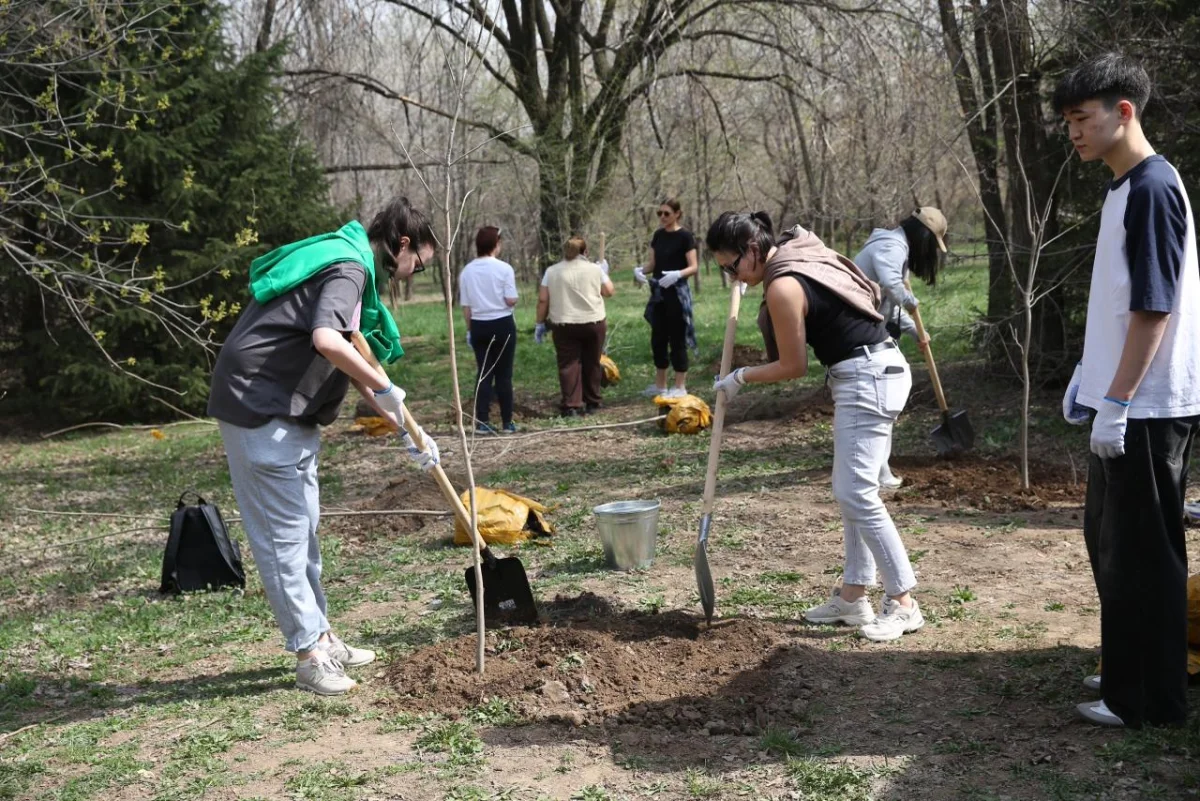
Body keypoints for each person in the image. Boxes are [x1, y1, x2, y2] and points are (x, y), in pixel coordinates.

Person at [207, 196, 442, 696]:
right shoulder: (350, 268)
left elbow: (357, 355)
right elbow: (327, 341)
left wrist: (407, 427)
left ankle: (324, 638)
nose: (412, 275)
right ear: (402, 245)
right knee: (284, 539)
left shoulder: (353, 266)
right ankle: (309, 655)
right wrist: (385, 392)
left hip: (286, 410)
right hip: (259, 407)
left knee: (305, 529)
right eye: (417, 265)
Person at [1056, 53, 1200, 728]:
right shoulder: (1121, 189)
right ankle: (1128, 668)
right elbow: (1119, 305)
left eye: (1081, 119)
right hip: (1121, 398)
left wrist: (1116, 400)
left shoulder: (1152, 188)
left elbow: (1153, 307)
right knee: (1112, 543)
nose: (1074, 134)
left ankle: (1150, 696)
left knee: (1145, 551)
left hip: (1147, 404)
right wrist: (1091, 377)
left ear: (1123, 112)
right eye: (1067, 123)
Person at [708, 211, 924, 642]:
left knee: (855, 492)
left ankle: (903, 602)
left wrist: (740, 378)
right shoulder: (795, 256)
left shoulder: (784, 285)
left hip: (869, 378)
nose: (730, 277)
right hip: (867, 374)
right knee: (853, 490)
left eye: (731, 266)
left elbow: (793, 366)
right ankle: (852, 597)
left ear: (752, 251)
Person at [853, 208, 946, 488]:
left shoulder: (894, 248)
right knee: (883, 400)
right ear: (924, 236)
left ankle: (878, 467)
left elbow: (891, 307)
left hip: (869, 330)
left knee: (884, 401)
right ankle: (877, 470)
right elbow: (893, 286)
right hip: (860, 332)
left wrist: (917, 329)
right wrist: (911, 301)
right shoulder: (891, 247)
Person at [536, 236, 615, 416]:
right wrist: (604, 273)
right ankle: (593, 402)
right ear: (585, 252)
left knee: (568, 364)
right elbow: (608, 291)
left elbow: (543, 300)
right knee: (592, 361)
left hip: (564, 323)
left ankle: (572, 405)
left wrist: (539, 323)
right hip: (593, 322)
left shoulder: (552, 271)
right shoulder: (595, 269)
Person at [634, 198, 699, 398]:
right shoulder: (658, 235)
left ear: (677, 214)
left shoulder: (685, 237)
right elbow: (653, 264)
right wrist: (640, 271)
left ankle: (680, 386)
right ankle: (660, 384)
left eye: (666, 213)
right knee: (658, 338)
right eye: (659, 213)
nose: (662, 217)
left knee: (677, 338)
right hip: (659, 294)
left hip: (677, 294)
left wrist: (678, 274)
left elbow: (693, 266)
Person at [459, 226, 519, 434]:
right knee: (504, 375)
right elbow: (510, 299)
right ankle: (507, 422)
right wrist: (514, 300)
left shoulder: (467, 271)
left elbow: (466, 307)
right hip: (502, 324)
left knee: (484, 373)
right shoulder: (504, 269)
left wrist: (469, 330)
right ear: (496, 244)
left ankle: (482, 421)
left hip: (479, 325)